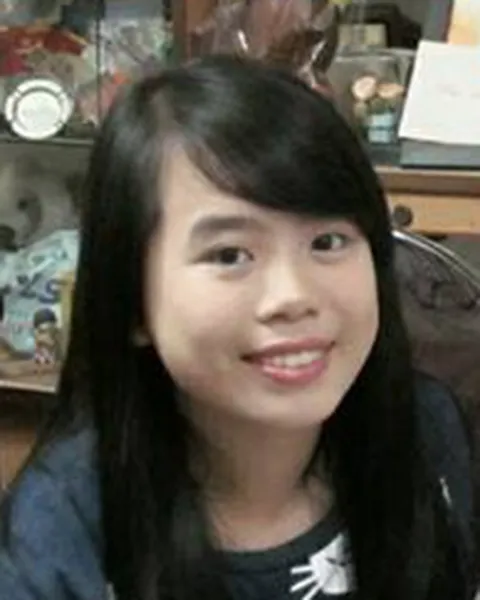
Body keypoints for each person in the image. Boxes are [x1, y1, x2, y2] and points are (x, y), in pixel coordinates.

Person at [0, 55, 476, 600]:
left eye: (328, 242)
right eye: (230, 254)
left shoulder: (425, 430)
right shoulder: (61, 530)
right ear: (132, 302)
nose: (293, 296)